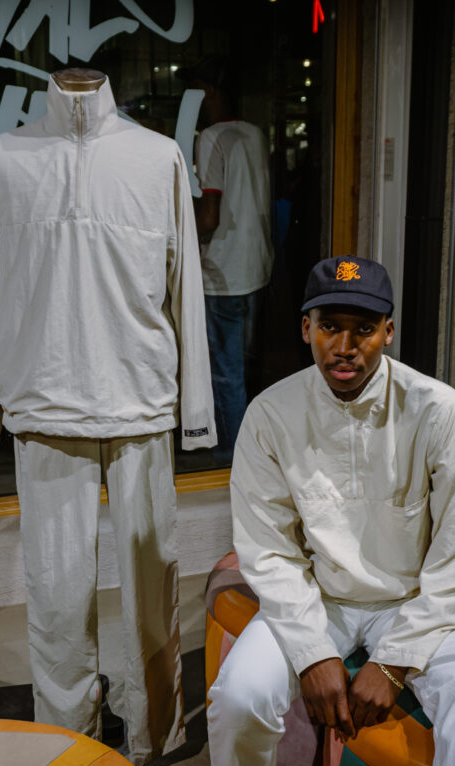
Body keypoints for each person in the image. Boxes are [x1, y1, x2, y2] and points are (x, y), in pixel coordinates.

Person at [0, 68, 216, 766]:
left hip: (140, 399)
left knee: (151, 584)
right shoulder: (1, 158)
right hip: (45, 401)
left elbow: (184, 288)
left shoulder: (157, 155)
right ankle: (67, 738)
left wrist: (193, 412)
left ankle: (154, 729)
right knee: (56, 595)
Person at [207, 256, 455, 766]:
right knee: (238, 697)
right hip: (317, 597)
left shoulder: (440, 412)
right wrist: (311, 654)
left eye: (365, 329)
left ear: (388, 332)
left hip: (413, 601)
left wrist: (395, 661)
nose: (345, 346)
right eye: (330, 326)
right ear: (306, 328)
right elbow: (269, 549)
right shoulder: (270, 415)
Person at [181, 56, 273, 463]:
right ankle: (250, 449)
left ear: (209, 92)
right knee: (245, 368)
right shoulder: (255, 134)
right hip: (257, 267)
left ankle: (231, 457)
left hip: (223, 273)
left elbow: (209, 217)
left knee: (224, 372)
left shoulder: (211, 137)